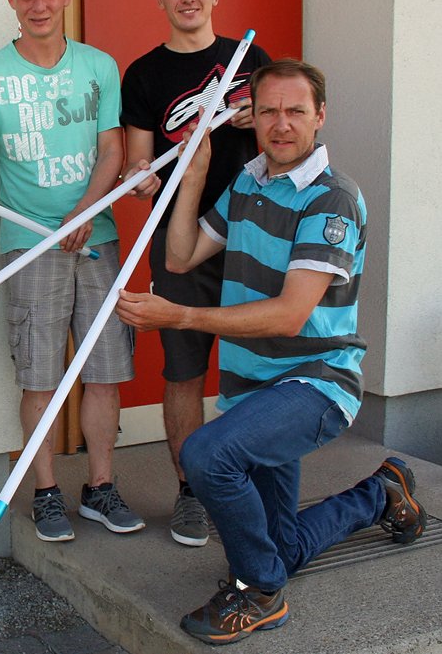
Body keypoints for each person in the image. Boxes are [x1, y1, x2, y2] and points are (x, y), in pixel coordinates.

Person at [116, 59, 427, 645]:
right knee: (280, 549)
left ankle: (260, 594)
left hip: (315, 382)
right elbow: (180, 257)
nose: (282, 124)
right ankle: (382, 493)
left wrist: (178, 316)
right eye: (269, 112)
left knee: (208, 457)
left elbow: (289, 315)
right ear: (252, 117)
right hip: (254, 385)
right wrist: (193, 173)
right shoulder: (249, 183)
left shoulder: (332, 199)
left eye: (295, 111)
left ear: (320, 115)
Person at [0, 0, 139, 543]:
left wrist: (86, 212)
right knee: (39, 376)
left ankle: (100, 487)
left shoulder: (99, 66)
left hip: (98, 238)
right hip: (29, 244)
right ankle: (46, 491)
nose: (39, 4)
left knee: (105, 372)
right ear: (11, 1)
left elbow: (113, 151)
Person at [120, 0, 271, 547]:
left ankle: (251, 483)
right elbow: (137, 163)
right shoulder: (144, 73)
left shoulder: (250, 59)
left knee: (258, 366)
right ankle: (191, 491)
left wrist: (258, 117)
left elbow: (289, 136)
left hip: (253, 234)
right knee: (183, 370)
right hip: (179, 236)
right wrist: (141, 176)